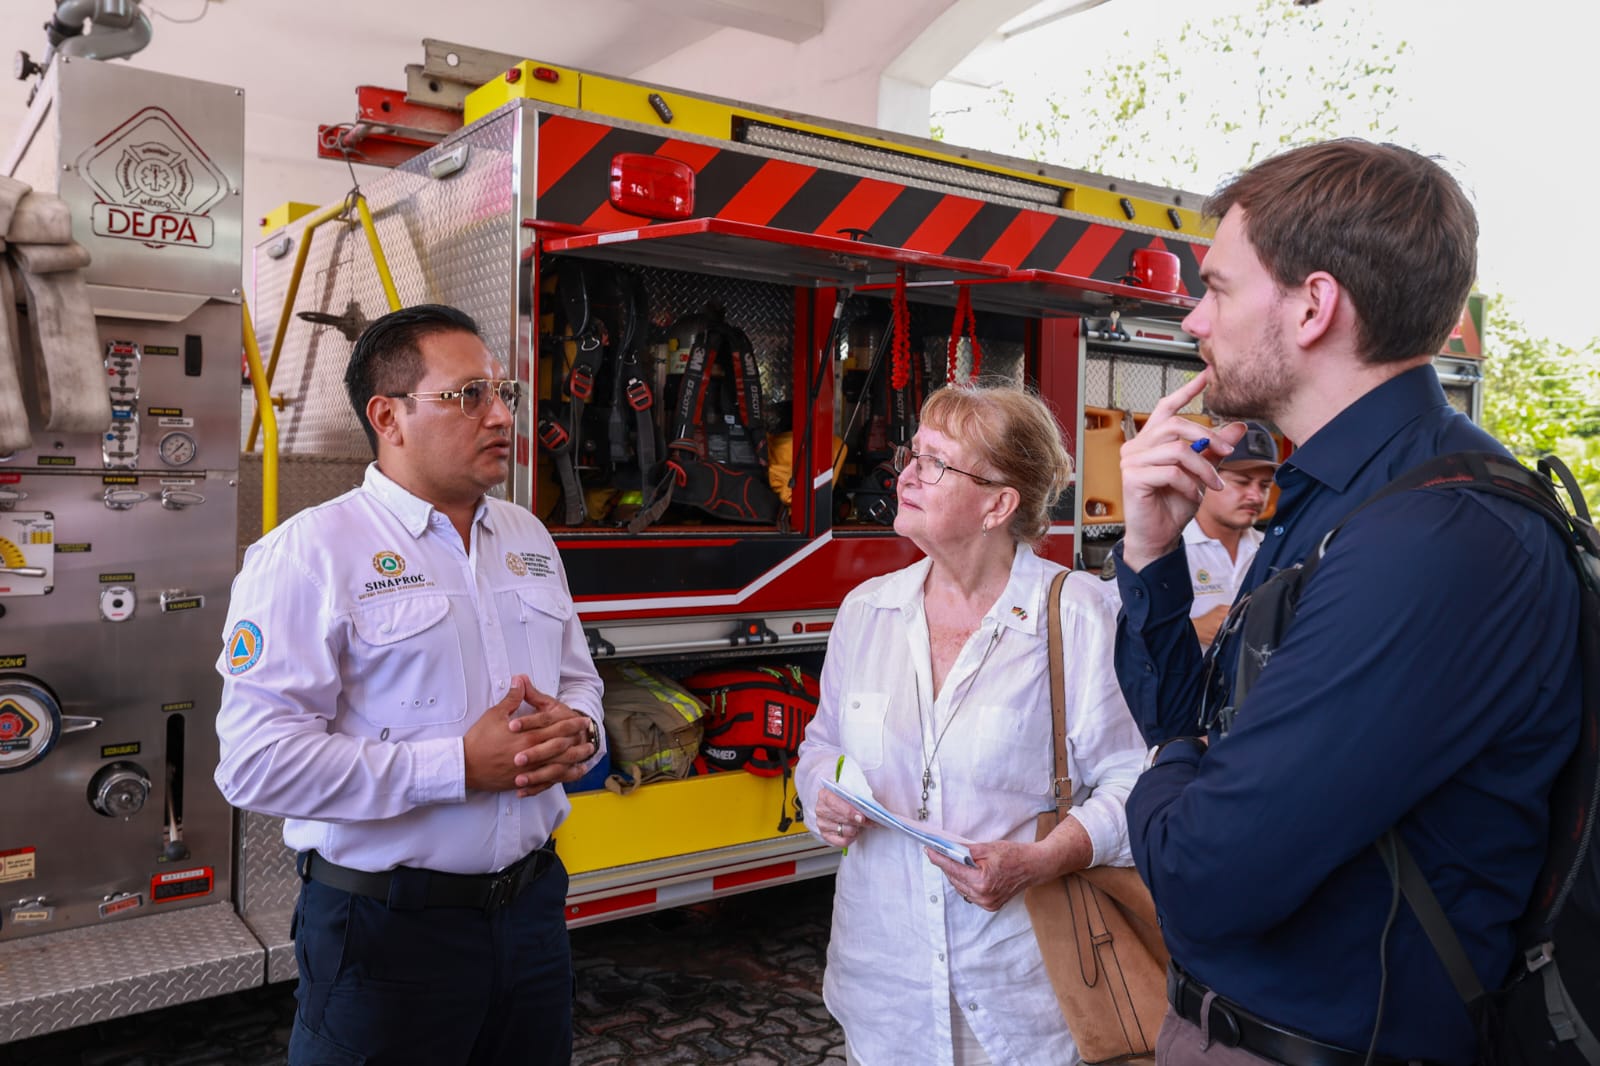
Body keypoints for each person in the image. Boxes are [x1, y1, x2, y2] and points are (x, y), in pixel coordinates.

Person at [1112, 140, 1580, 1065]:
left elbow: (1205, 878)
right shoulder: (1349, 495)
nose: (1193, 317)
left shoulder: (1432, 538)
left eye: (1218, 288)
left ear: (1314, 305)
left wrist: (1172, 762)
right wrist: (1152, 554)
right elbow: (1188, 715)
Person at [214, 304, 605, 1066]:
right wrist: (457, 766)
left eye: (504, 393)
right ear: (387, 416)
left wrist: (579, 730)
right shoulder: (309, 554)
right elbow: (255, 764)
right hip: (384, 935)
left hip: (531, 918)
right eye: (468, 396)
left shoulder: (528, 536)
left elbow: (578, 680)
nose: (502, 415)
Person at [795, 384, 1145, 1066]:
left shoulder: (1078, 613)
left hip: (1024, 1000)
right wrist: (822, 797)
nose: (905, 475)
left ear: (998, 505)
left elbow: (1135, 782)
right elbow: (822, 744)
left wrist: (1041, 860)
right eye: (912, 455)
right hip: (884, 994)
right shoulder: (867, 610)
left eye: (935, 463)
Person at [1182, 421, 1278, 646]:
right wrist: (1191, 629)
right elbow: (1112, 634)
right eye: (1242, 482)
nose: (1256, 496)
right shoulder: (1160, 550)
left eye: (1264, 486)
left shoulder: (1272, 549)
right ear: (1203, 476)